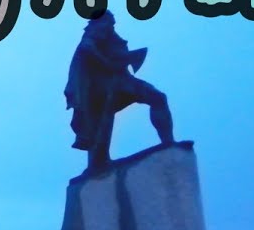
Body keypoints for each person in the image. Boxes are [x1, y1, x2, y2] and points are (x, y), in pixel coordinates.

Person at [64, 10, 174, 170]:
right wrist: (108, 63)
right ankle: (97, 163)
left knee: (157, 98)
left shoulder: (111, 36)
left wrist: (124, 58)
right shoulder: (95, 31)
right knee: (101, 120)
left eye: (113, 23)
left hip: (121, 81)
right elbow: (87, 48)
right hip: (102, 86)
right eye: (110, 22)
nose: (112, 25)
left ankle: (168, 142)